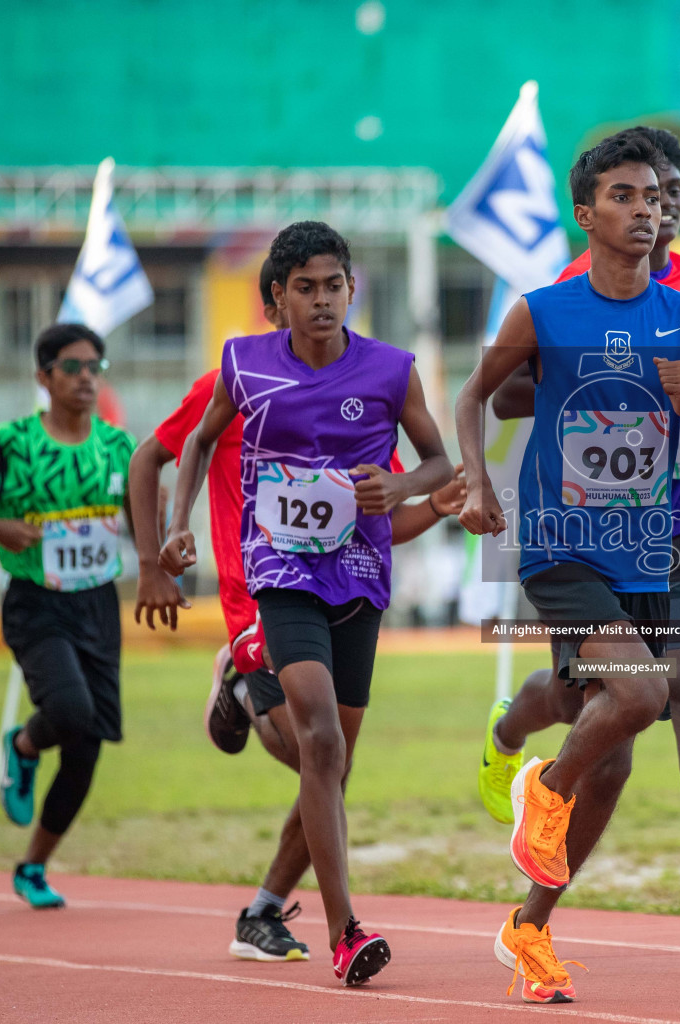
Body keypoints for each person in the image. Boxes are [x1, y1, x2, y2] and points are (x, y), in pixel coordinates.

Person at [456, 131, 680, 1004]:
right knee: (641, 695)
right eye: (624, 197)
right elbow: (479, 393)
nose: (644, 210)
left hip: (659, 541)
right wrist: (477, 480)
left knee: (618, 756)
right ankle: (541, 788)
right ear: (587, 215)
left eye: (653, 198)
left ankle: (530, 927)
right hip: (563, 544)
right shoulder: (544, 309)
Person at [128, 256, 466, 963]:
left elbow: (437, 462)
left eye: (333, 286)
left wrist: (405, 492)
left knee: (331, 761)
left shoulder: (391, 370)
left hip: (361, 577)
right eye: (304, 288)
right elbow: (187, 444)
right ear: (277, 298)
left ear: (352, 289)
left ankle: (260, 907)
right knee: (319, 743)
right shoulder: (242, 365)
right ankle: (346, 932)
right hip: (277, 574)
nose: (321, 300)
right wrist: (174, 531)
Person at [0, 323, 133, 910]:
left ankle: (32, 866)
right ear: (43, 377)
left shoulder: (117, 446)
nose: (87, 377)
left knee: (87, 746)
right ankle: (22, 745)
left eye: (95, 366)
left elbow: (144, 516)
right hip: (36, 602)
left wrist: (163, 554)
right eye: (72, 367)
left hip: (97, 602)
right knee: (69, 710)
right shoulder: (11, 442)